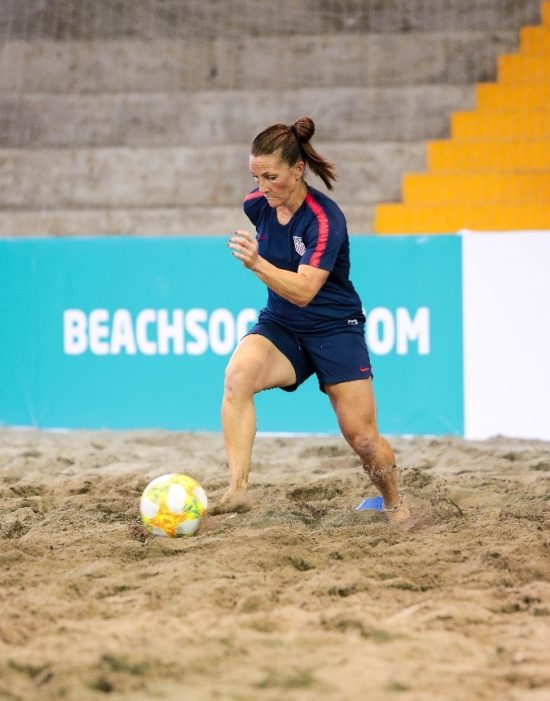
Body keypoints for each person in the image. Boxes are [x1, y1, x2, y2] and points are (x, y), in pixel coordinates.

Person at [222, 116, 410, 524]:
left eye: (271, 177)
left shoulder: (325, 220)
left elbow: (306, 290)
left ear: (298, 169)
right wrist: (263, 264)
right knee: (237, 377)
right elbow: (288, 289)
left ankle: (395, 504)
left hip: (333, 328)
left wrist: (257, 263)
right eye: (256, 177)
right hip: (283, 325)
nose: (262, 187)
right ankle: (237, 489)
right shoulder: (258, 206)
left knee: (362, 438)